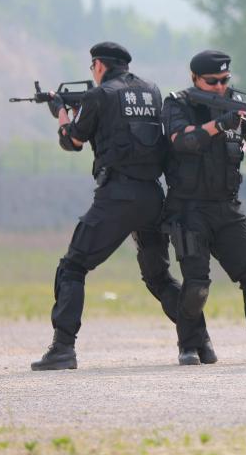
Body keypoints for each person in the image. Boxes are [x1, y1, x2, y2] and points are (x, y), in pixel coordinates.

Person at [31, 42, 204, 370]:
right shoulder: (151, 91)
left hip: (117, 198)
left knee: (73, 267)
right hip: (153, 197)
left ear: (98, 65)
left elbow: (73, 141)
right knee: (159, 277)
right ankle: (197, 344)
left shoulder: (99, 96)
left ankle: (62, 349)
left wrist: (61, 112)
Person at [162, 50, 246, 365]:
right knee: (197, 283)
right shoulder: (177, 103)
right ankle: (190, 346)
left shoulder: (235, 103)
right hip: (189, 209)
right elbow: (182, 140)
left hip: (226, 207)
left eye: (224, 80)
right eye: (212, 81)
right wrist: (219, 125)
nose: (220, 87)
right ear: (195, 78)